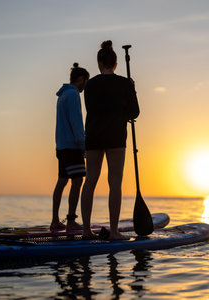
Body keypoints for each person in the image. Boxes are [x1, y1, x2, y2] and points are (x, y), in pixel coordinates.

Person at [81, 40, 140, 240]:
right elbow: (135, 112)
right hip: (115, 136)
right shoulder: (124, 83)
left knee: (90, 180)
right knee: (115, 182)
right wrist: (132, 89)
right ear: (115, 63)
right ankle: (114, 232)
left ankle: (86, 231)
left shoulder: (89, 85)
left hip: (93, 136)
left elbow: (91, 109)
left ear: (99, 62)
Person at [51, 63, 90, 231]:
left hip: (61, 146)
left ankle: (55, 220)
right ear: (81, 79)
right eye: (86, 82)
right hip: (72, 146)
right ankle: (72, 221)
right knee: (77, 180)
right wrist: (83, 145)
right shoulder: (73, 95)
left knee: (62, 181)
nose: (86, 86)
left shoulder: (62, 95)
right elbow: (76, 122)